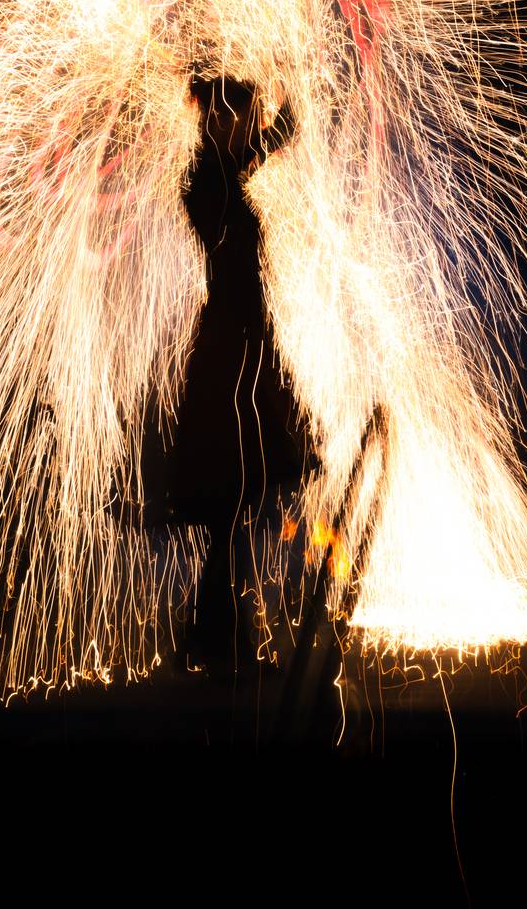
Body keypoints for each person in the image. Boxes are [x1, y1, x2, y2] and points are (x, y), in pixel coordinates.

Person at [152, 74, 309, 672]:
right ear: (218, 121)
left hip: (243, 338)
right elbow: (238, 166)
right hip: (229, 346)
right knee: (229, 499)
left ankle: (214, 636)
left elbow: (266, 145)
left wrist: (289, 97)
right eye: (240, 118)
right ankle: (217, 640)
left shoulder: (221, 170)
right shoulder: (205, 182)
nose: (249, 128)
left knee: (235, 503)